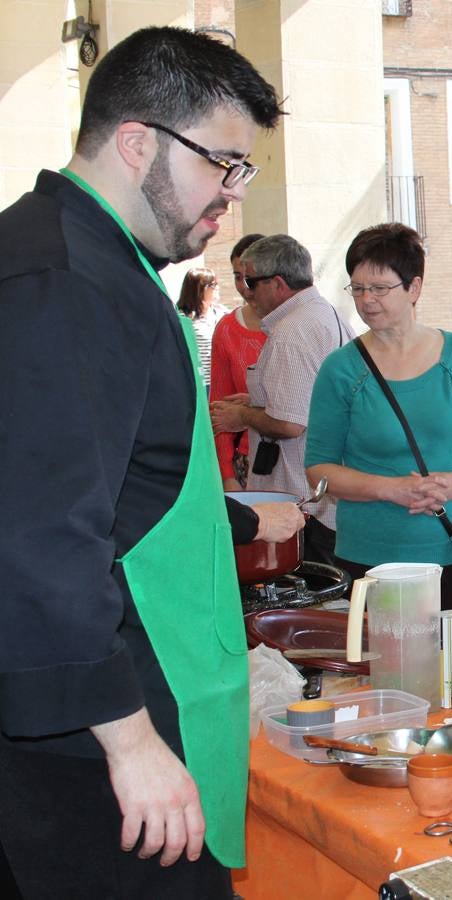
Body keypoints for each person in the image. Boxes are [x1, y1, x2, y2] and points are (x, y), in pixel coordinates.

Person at [0, 26, 280, 898]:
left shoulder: (94, 260)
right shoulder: (65, 279)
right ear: (137, 141)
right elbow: (42, 535)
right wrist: (130, 743)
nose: (232, 195)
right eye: (223, 164)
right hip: (88, 742)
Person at [305, 224, 452, 647]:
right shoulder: (341, 369)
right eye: (357, 288)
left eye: (379, 288)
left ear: (414, 288)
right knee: (384, 683)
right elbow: (319, 469)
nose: (366, 300)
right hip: (372, 559)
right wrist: (388, 489)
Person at [210, 233, 351, 566]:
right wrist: (256, 399)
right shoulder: (323, 313)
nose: (246, 290)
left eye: (252, 282)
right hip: (322, 495)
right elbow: (308, 397)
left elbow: (290, 423)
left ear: (277, 283)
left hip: (305, 502)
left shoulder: (293, 330)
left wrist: (243, 416)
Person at [211, 232, 267, 490]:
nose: (245, 285)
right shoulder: (226, 329)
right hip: (247, 462)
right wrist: (227, 476)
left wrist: (248, 414)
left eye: (250, 276)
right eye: (237, 276)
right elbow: (219, 409)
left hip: (299, 458)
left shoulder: (295, 325)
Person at [176, 266, 226, 390]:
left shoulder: (221, 314)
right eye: (213, 285)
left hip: (219, 383)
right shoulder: (183, 319)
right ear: (199, 289)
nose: (217, 288)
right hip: (195, 384)